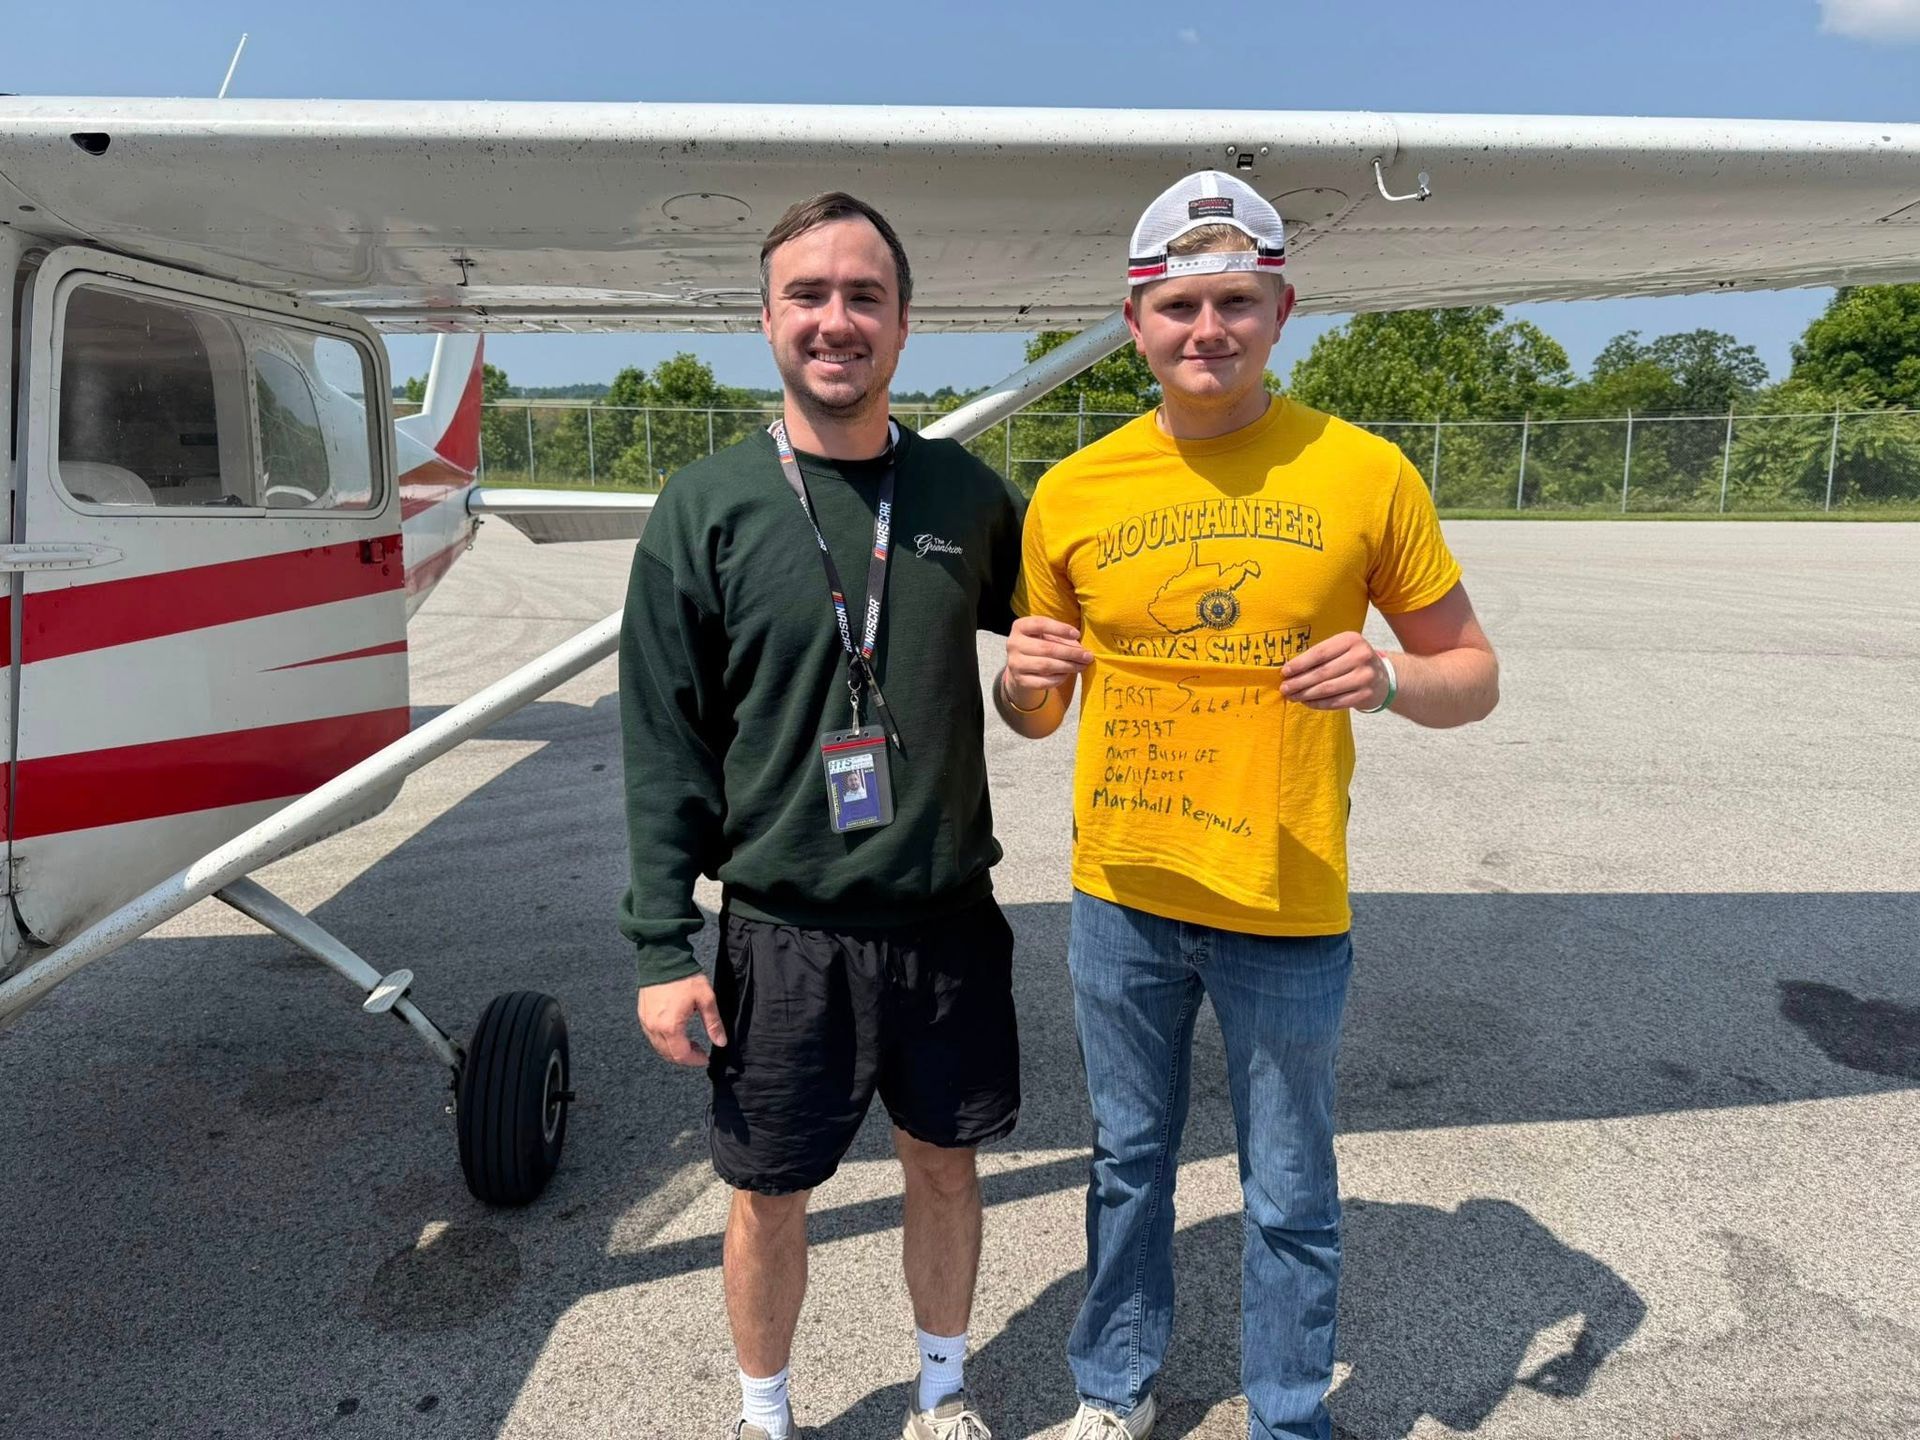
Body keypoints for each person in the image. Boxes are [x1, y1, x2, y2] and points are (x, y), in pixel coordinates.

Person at [998, 171, 1501, 1440]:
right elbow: (1036, 713)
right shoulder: (1072, 492)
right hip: (1123, 892)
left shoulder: (1363, 472)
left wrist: (1387, 678)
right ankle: (1112, 1394)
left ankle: (1286, 1416)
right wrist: (1018, 682)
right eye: (1178, 305)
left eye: (1235, 301)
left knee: (1287, 1189)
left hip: (1286, 898)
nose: (1205, 329)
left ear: (1284, 311)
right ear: (1134, 323)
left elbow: (1473, 673)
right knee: (1125, 1167)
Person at [620, 192, 1024, 1440]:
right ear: (767, 320)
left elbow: (1066, 640)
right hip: (782, 933)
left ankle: (944, 1393)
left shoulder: (966, 496)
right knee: (767, 1193)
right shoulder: (711, 506)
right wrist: (658, 949)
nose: (835, 320)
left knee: (944, 1167)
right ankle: (765, 1414)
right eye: (809, 295)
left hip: (946, 919)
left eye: (864, 296)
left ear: (905, 326)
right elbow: (664, 743)